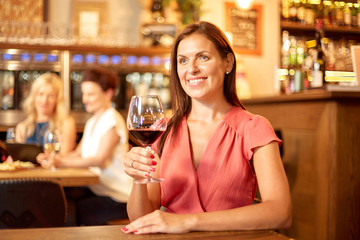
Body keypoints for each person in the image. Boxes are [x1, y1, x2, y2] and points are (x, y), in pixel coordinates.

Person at [121, 21, 292, 234]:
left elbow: (281, 212)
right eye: (183, 60)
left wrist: (187, 222)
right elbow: (142, 220)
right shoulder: (163, 130)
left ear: (228, 63)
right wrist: (138, 180)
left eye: (203, 57)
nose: (191, 69)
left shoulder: (253, 127)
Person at [37, 67, 132, 226]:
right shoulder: (93, 121)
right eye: (84, 93)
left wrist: (60, 162)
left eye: (91, 94)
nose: (84, 99)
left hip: (119, 198)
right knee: (61, 200)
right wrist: (52, 157)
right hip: (99, 190)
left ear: (108, 94)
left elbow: (99, 160)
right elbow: (78, 153)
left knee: (68, 208)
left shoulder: (112, 121)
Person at [15, 73, 76, 154]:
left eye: (51, 96)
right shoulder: (22, 127)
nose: (44, 100)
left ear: (57, 99)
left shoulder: (66, 123)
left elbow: (65, 158)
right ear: (33, 96)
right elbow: (15, 161)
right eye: (40, 94)